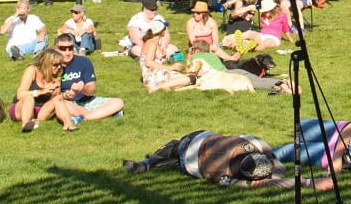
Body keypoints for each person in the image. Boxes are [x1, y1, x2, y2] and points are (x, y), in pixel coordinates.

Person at [123, 130, 286, 187]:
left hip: (198, 139)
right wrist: (274, 177)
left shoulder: (254, 142)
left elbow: (274, 159)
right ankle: (153, 162)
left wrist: (275, 173)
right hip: (191, 163)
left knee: (175, 149)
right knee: (179, 161)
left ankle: (149, 162)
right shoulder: (223, 176)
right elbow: (276, 165)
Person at [54, 33, 124, 124]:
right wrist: (65, 95)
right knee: (62, 105)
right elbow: (51, 94)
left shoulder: (84, 61)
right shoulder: (51, 65)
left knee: (118, 102)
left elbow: (91, 91)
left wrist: (82, 89)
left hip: (87, 100)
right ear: (55, 49)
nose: (67, 53)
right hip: (68, 102)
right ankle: (102, 114)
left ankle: (84, 118)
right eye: (63, 49)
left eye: (70, 48)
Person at [10, 48, 71, 132]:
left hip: (41, 111)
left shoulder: (57, 77)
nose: (59, 67)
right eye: (55, 65)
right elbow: (20, 94)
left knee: (58, 98)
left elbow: (54, 102)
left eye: (60, 64)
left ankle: (68, 123)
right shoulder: (32, 70)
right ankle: (26, 124)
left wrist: (55, 95)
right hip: (22, 108)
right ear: (46, 64)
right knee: (28, 98)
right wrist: (41, 92)